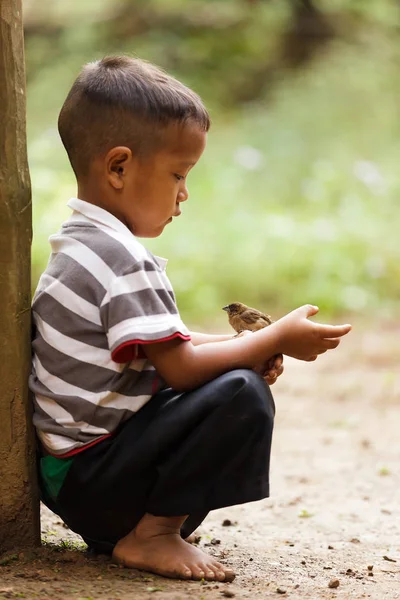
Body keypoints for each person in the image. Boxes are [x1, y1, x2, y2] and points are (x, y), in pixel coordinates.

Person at [30, 55, 352, 582]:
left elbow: (165, 346)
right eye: (179, 174)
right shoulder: (124, 260)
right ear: (118, 167)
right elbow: (179, 369)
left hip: (76, 481)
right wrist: (273, 338)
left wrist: (254, 345)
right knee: (241, 393)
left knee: (231, 375)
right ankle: (152, 535)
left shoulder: (78, 247)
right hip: (98, 482)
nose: (184, 193)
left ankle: (149, 529)